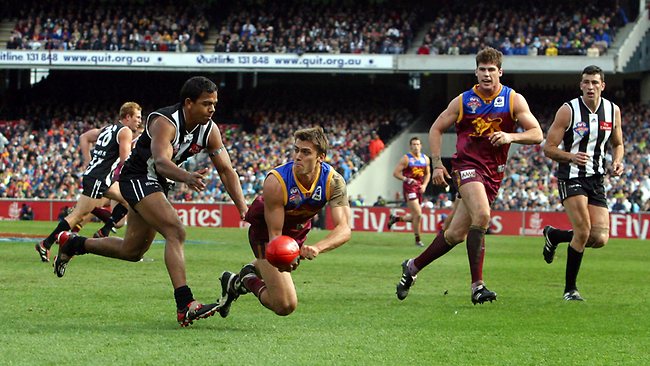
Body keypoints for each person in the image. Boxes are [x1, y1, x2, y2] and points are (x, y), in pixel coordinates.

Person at [52, 76, 249, 327]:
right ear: (188, 103)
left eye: (214, 103)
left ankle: (73, 244)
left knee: (132, 251)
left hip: (157, 182)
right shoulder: (164, 122)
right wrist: (186, 176)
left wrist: (243, 207)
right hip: (137, 176)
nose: (212, 109)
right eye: (206, 103)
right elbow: (161, 162)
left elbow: (226, 170)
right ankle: (185, 304)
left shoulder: (210, 130)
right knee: (175, 231)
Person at [395, 47, 543, 304]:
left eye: (491, 70)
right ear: (476, 72)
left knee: (455, 235)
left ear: (500, 72)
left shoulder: (513, 99)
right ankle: (477, 286)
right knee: (483, 215)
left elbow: (537, 133)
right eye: (482, 70)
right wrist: (439, 164)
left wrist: (511, 136)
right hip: (466, 167)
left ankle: (413, 267)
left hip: (493, 174)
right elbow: (436, 128)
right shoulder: (463, 101)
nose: (486, 75)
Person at [216, 127, 351, 318]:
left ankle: (234, 281)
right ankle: (246, 279)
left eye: (305, 152)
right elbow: (275, 237)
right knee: (285, 305)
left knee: (280, 288)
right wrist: (284, 260)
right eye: (296, 150)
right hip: (266, 234)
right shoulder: (276, 181)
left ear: (321, 157)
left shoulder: (334, 182)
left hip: (297, 232)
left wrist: (317, 248)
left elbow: (344, 229)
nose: (298, 156)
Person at [541, 65, 624, 301]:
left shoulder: (612, 110)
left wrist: (617, 161)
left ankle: (555, 236)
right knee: (583, 230)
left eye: (595, 83)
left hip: (597, 178)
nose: (590, 87)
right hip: (572, 176)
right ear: (581, 85)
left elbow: (618, 143)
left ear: (602, 86)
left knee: (599, 239)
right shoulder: (568, 110)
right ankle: (570, 289)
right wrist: (571, 157)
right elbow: (548, 148)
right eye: (586, 82)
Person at [35, 102, 142, 262]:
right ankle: (46, 243)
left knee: (130, 198)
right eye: (137, 117)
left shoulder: (107, 128)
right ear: (128, 117)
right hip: (99, 178)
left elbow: (84, 137)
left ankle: (104, 231)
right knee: (77, 216)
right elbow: (124, 159)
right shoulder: (125, 131)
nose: (139, 121)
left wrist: (88, 161)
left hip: (101, 177)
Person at [387, 137, 431, 247]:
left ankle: (396, 218)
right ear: (410, 146)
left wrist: (425, 185)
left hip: (419, 188)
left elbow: (428, 174)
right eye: (413, 144)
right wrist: (407, 179)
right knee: (419, 215)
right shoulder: (406, 159)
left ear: (421, 145)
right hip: (409, 188)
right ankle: (418, 240)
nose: (416, 146)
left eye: (417, 144)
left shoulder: (425, 159)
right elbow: (396, 173)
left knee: (415, 217)